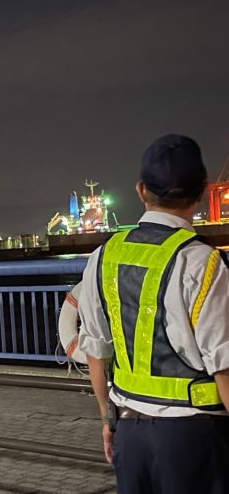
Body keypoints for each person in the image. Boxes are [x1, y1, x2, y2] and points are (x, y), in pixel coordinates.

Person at [78, 134, 229, 494]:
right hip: (194, 439)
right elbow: (223, 364)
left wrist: (107, 419)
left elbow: (95, 351)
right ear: (202, 191)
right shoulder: (202, 263)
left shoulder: (103, 257)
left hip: (130, 432)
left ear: (141, 190)